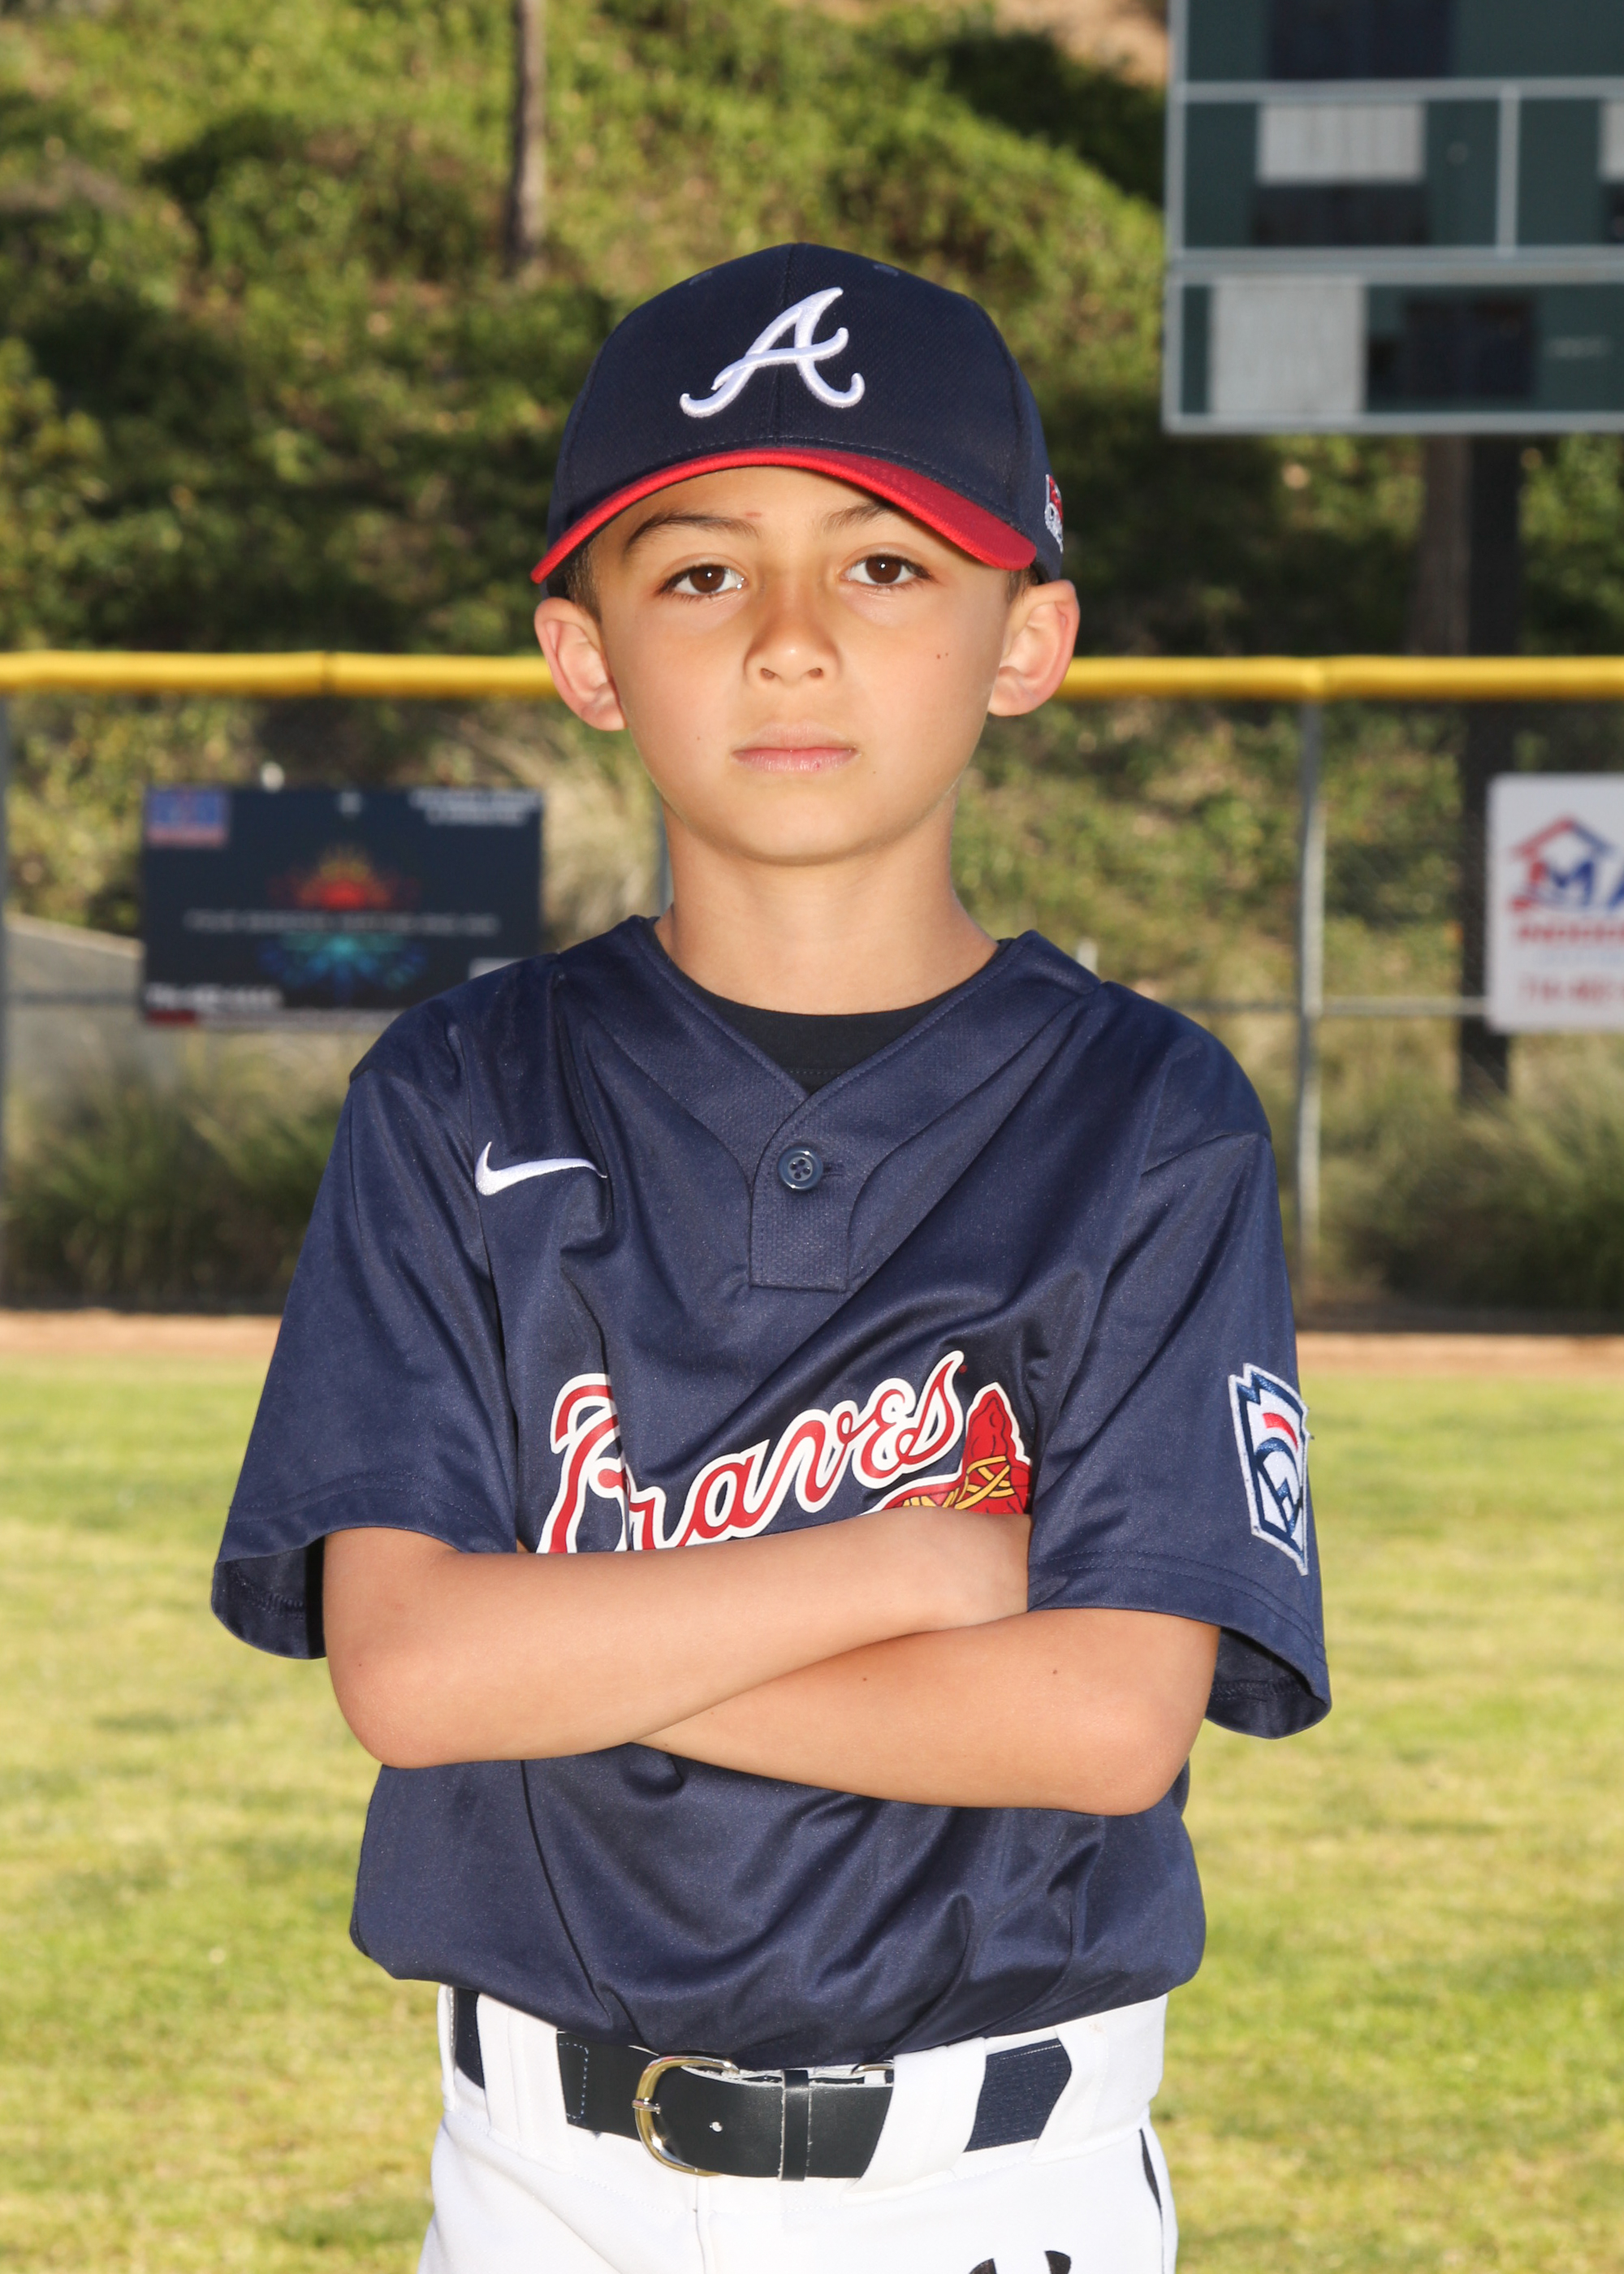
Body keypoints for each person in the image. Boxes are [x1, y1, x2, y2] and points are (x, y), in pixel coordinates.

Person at [213, 243, 1329, 2274]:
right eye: (703, 571)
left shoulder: (1150, 1115)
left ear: (1027, 636)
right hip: (540, 2185)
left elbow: (1100, 1717)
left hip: (997, 2183)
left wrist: (574, 1648)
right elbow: (413, 1670)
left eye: (885, 565)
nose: (792, 643)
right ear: (585, 653)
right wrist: (912, 1565)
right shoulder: (456, 1090)